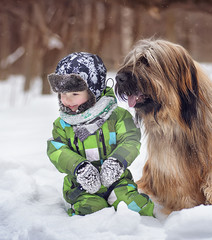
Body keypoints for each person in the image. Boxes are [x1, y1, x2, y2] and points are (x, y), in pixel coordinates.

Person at [47, 52, 154, 217]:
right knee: (91, 211)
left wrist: (117, 161)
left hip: (117, 182)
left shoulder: (117, 116)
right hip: (82, 187)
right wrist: (78, 167)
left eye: (75, 94)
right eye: (62, 94)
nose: (67, 100)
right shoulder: (62, 124)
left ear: (94, 91)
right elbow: (56, 149)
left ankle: (143, 230)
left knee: (134, 207)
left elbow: (130, 140)